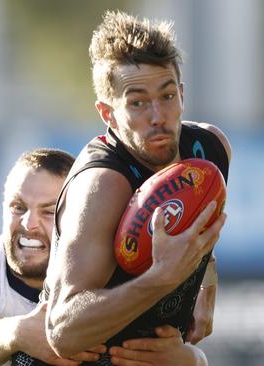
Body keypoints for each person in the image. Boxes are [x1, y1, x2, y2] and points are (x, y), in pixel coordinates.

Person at [44, 10, 231, 365]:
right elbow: (62, 332)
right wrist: (161, 279)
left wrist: (207, 282)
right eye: (138, 103)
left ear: (182, 94)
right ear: (107, 112)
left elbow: (201, 224)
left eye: (167, 96)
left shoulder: (210, 152)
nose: (158, 116)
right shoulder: (101, 185)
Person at [0, 148, 205, 366]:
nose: (28, 223)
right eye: (18, 207)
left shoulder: (113, 274)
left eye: (47, 211)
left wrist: (191, 361)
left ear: (81, 218)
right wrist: (19, 333)